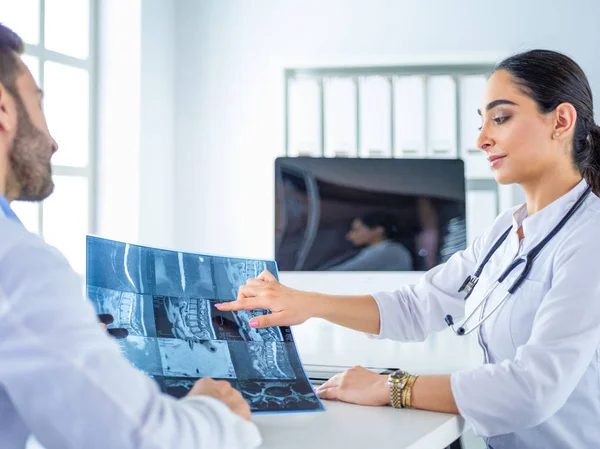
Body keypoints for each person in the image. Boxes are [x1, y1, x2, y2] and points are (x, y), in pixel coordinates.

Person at [218, 49, 600, 449]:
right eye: (482, 122)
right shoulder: (508, 230)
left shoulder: (589, 237)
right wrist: (307, 303)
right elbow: (419, 306)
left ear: (561, 121)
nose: (482, 138)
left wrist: (392, 388)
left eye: (500, 118)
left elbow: (533, 390)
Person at [0, 24, 261, 449]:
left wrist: (75, 354)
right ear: (4, 110)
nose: (53, 142)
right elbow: (140, 441)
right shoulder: (17, 263)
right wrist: (214, 409)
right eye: (39, 107)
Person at [327, 212, 413, 271]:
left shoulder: (390, 251)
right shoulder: (372, 250)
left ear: (378, 230)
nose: (350, 236)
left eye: (356, 230)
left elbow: (346, 271)